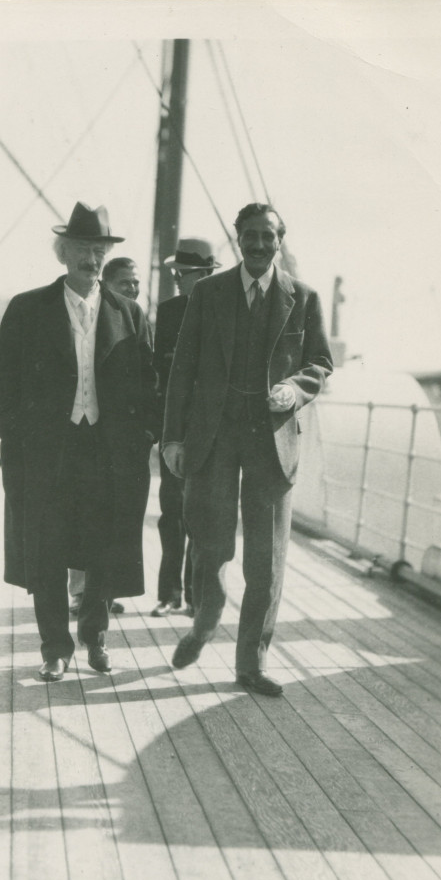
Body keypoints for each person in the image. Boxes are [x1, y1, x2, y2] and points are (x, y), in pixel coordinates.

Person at [162, 203, 333, 696]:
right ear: (236, 239)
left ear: (280, 240)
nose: (259, 245)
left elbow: (319, 362)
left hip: (271, 440)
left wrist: (296, 389)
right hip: (213, 437)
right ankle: (204, 622)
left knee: (267, 558)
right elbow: (183, 371)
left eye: (268, 236)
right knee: (210, 543)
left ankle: (249, 665)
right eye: (250, 236)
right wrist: (173, 438)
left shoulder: (302, 297)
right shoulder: (210, 294)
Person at [0, 202, 157, 682]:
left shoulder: (129, 313)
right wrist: (18, 436)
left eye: (99, 250)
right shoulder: (28, 308)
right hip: (46, 452)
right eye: (82, 249)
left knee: (105, 546)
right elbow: (2, 383)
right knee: (47, 549)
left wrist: (142, 436)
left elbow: (149, 385)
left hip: (108, 453)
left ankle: (95, 637)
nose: (92, 258)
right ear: (63, 254)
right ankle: (54, 648)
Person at [67, 256, 143, 617]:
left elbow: (147, 378)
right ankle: (81, 592)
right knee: (78, 517)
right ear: (107, 283)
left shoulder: (132, 318)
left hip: (115, 439)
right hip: (77, 433)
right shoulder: (85, 317)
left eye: (135, 282)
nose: (133, 288)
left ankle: (101, 590)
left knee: (108, 520)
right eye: (125, 282)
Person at [150, 238, 220, 618]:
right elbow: (161, 371)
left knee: (204, 515)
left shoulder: (225, 312)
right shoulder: (170, 311)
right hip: (175, 428)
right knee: (171, 511)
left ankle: (197, 596)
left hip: (211, 432)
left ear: (205, 275)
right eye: (176, 272)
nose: (176, 278)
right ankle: (169, 594)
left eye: (183, 273)